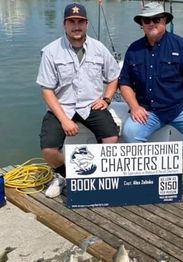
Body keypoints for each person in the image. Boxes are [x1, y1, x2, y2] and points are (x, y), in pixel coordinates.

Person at [118, 2, 183, 214]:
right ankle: (145, 183)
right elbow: (124, 83)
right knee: (130, 133)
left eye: (157, 19)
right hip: (149, 111)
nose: (152, 23)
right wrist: (134, 106)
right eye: (147, 20)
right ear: (142, 24)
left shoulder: (182, 46)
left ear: (165, 21)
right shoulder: (133, 50)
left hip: (179, 108)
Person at [36, 3, 120, 198]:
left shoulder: (99, 48)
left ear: (87, 24)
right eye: (71, 21)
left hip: (91, 105)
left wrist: (106, 99)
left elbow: (114, 76)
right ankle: (63, 175)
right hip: (61, 107)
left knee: (111, 138)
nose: (76, 26)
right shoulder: (51, 51)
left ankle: (97, 175)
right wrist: (64, 120)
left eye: (80, 22)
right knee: (48, 150)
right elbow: (47, 90)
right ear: (64, 24)